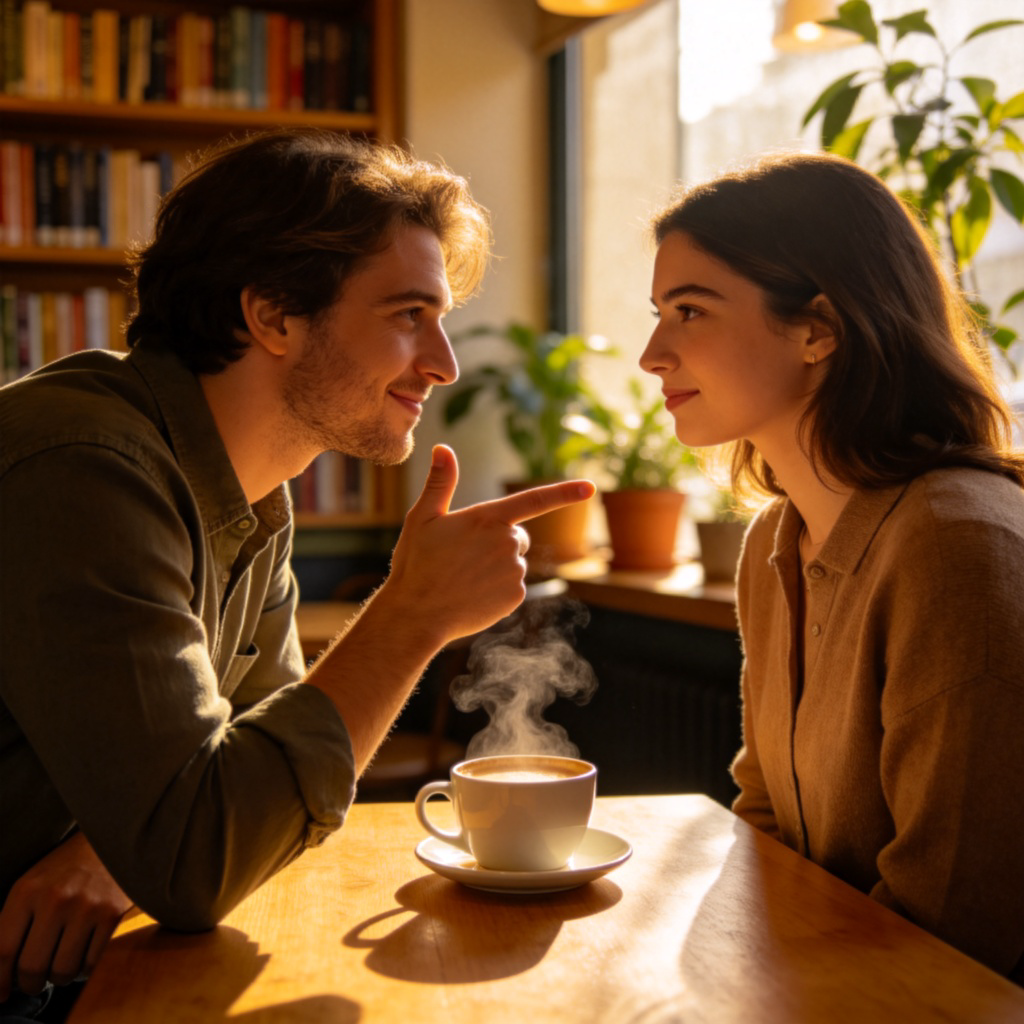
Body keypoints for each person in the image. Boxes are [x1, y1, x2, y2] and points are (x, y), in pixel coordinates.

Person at [0, 128, 595, 1018]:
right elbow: (200, 857)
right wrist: (410, 617)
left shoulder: (250, 494)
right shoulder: (82, 464)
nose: (444, 364)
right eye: (408, 316)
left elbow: (252, 781)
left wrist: (105, 842)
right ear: (274, 315)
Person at [641, 151, 1024, 983]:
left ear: (819, 327)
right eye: (659, 312)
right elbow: (765, 822)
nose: (652, 354)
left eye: (691, 311)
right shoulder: (775, 541)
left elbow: (957, 923)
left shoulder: (957, 543)